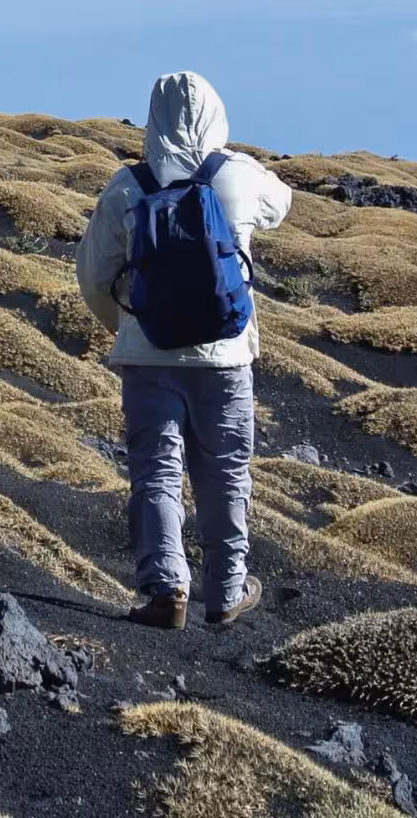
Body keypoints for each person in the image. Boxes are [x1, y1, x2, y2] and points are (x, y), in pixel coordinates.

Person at [76, 71, 291, 628]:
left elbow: (93, 277)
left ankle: (166, 590)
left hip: (148, 356)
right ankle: (226, 591)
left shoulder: (126, 186)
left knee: (157, 472)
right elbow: (282, 204)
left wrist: (127, 330)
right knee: (225, 470)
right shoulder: (237, 177)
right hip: (225, 357)